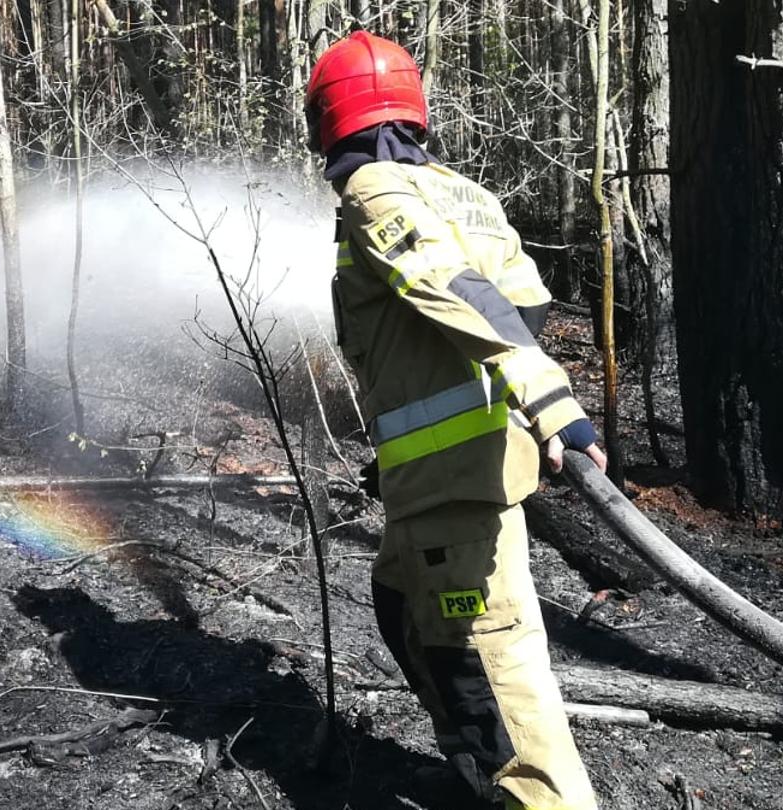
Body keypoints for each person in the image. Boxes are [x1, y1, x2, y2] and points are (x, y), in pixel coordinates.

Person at [309, 30, 607, 810]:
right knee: (404, 609)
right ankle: (476, 782)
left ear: (329, 119)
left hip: (455, 485)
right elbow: (525, 303)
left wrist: (548, 400)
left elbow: (454, 291)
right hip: (441, 471)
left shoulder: (374, 190)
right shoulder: (462, 192)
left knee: (494, 662)